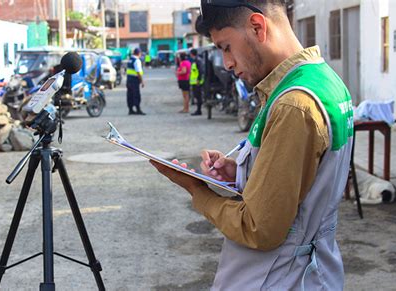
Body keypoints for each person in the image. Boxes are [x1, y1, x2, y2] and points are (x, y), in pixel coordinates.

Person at [150, 0, 354, 290]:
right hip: (313, 268)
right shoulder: (324, 80)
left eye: (226, 47)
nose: (227, 64)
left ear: (257, 27)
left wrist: (197, 190)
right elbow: (307, 182)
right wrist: (245, 173)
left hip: (281, 277)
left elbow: (260, 229)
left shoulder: (293, 105)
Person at [126, 48, 146, 115]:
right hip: (134, 81)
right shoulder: (137, 61)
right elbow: (138, 72)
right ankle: (138, 110)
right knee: (136, 95)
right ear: (139, 53)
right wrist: (142, 81)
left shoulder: (130, 60)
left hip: (129, 80)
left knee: (130, 95)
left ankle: (130, 110)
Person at [189, 48, 204, 116]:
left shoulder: (197, 61)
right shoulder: (196, 60)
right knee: (197, 96)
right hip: (195, 82)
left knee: (198, 96)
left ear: (191, 54)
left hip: (197, 82)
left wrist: (198, 79)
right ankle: (198, 109)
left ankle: (199, 110)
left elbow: (200, 71)